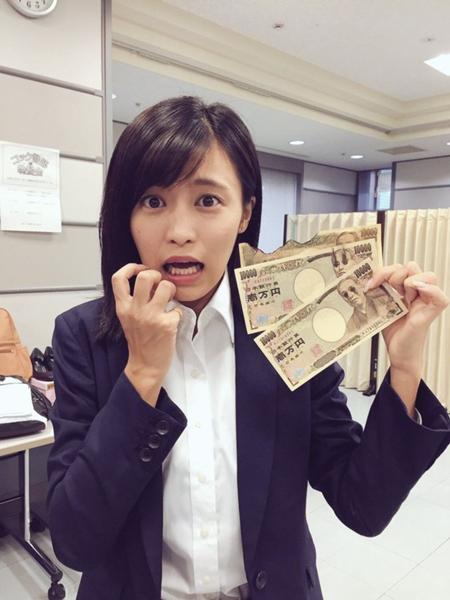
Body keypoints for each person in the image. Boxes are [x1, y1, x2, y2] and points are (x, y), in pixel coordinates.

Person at [47, 96, 450, 600]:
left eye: (207, 200)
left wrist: (405, 366)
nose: (179, 232)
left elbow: (362, 506)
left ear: (245, 213)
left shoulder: (289, 325)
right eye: (152, 201)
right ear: (125, 216)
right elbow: (74, 541)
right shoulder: (84, 336)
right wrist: (143, 374)